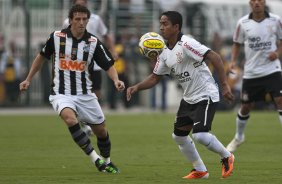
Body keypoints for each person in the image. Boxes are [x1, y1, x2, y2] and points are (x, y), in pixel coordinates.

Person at [127, 11, 235, 179]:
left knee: (200, 135)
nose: (161, 27)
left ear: (176, 27)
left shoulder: (186, 43)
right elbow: (155, 77)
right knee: (179, 136)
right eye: (160, 23)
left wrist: (225, 85)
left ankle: (227, 156)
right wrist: (136, 87)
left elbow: (215, 57)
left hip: (206, 93)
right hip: (189, 97)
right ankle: (201, 170)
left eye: (165, 24)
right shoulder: (163, 51)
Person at [19, 4, 125, 173]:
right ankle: (96, 159)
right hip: (61, 93)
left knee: (101, 131)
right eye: (78, 19)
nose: (82, 22)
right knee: (70, 119)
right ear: (70, 20)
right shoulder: (56, 37)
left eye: (85, 19)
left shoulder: (93, 42)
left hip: (85, 94)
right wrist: (28, 79)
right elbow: (40, 58)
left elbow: (108, 65)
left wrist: (116, 80)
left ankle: (107, 160)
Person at [226, 0, 282, 153]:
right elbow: (236, 43)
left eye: (260, 0)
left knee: (279, 100)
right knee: (245, 106)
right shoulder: (242, 23)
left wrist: (277, 53)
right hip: (251, 72)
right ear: (250, 3)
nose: (257, 3)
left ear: (264, 2)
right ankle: (239, 137)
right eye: (254, 0)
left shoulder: (276, 20)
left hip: (272, 69)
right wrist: (232, 61)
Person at [63, 0, 118, 136]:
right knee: (78, 93)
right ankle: (84, 122)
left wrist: (113, 50)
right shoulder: (67, 22)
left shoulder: (95, 19)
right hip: (78, 63)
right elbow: (64, 40)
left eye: (84, 3)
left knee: (96, 91)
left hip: (95, 61)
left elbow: (105, 35)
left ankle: (91, 119)